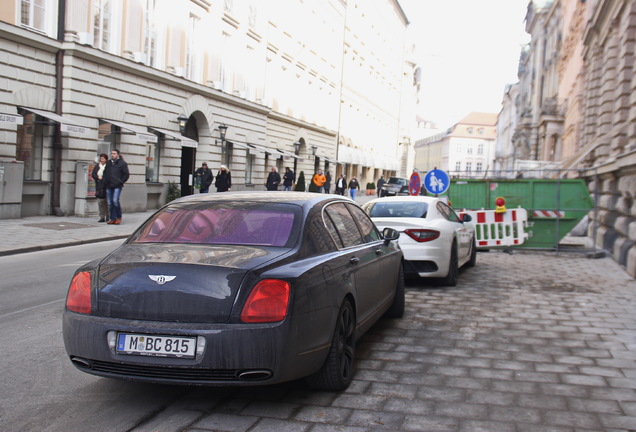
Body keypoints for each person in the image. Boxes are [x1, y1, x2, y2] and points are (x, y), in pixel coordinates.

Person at [103, 149, 129, 225]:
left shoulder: (122, 163)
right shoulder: (108, 163)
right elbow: (105, 173)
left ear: (118, 155)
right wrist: (105, 181)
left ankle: (118, 217)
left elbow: (126, 175)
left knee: (115, 201)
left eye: (114, 153)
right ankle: (112, 218)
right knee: (110, 202)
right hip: (109, 185)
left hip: (117, 185)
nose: (112, 155)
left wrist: (120, 181)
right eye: (111, 153)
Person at [92, 153, 109, 222]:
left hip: (106, 186)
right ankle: (102, 216)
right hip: (99, 186)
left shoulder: (108, 166)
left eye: (103, 158)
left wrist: (104, 178)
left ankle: (108, 215)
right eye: (101, 158)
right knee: (100, 202)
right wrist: (97, 177)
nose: (101, 160)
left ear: (106, 159)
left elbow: (109, 175)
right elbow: (93, 174)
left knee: (107, 202)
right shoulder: (97, 166)